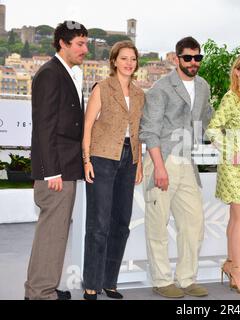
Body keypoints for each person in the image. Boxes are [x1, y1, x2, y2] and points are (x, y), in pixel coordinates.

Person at [139, 36, 212, 299]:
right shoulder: (161, 88)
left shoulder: (203, 86)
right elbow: (150, 131)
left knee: (194, 223)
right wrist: (159, 168)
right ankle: (161, 280)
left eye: (197, 57)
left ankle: (186, 278)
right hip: (163, 160)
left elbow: (207, 119)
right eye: (188, 58)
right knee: (158, 225)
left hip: (187, 162)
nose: (193, 63)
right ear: (176, 58)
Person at [24, 21, 88, 300]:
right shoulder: (50, 74)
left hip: (64, 167)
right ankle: (40, 293)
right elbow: (44, 126)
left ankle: (42, 288)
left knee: (56, 234)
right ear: (62, 43)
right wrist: (51, 172)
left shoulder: (64, 72)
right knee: (52, 235)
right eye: (80, 44)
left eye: (86, 43)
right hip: (56, 171)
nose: (85, 49)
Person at [81, 41, 145, 300]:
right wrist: (86, 161)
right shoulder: (102, 88)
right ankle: (91, 284)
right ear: (114, 61)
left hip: (129, 160)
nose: (129, 63)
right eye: (124, 58)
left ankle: (110, 282)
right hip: (102, 158)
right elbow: (86, 128)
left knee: (121, 223)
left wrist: (138, 162)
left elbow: (138, 133)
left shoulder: (140, 94)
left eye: (133, 59)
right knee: (99, 224)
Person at [207, 54, 240, 296]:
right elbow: (212, 129)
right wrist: (231, 150)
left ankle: (230, 264)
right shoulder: (230, 98)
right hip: (234, 165)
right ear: (237, 72)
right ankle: (238, 270)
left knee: (237, 217)